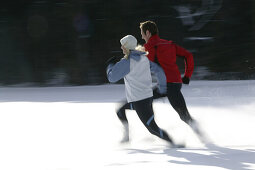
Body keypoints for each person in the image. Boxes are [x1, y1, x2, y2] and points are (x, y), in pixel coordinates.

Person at [106, 35, 183, 147]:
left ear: (127, 46)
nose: (122, 48)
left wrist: (110, 66)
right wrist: (162, 87)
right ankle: (127, 136)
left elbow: (111, 78)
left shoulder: (127, 62)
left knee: (152, 128)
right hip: (145, 97)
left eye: (123, 45)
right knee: (120, 111)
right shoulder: (144, 58)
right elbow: (158, 70)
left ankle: (174, 144)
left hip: (140, 101)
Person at [139, 20, 206, 141]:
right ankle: (155, 130)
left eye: (142, 33)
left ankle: (204, 138)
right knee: (147, 99)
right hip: (174, 84)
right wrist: (186, 76)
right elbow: (188, 55)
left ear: (148, 33)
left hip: (168, 86)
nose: (142, 36)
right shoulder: (169, 44)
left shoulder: (148, 47)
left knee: (184, 116)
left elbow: (137, 64)